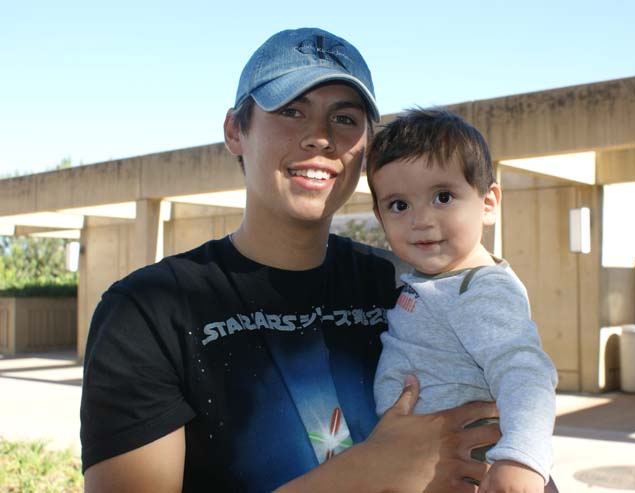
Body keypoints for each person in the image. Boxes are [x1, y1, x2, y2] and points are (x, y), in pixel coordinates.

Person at [80, 28, 500, 492]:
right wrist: (367, 471)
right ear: (235, 131)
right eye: (291, 111)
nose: (320, 137)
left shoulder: (407, 285)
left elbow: (499, 435)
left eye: (344, 118)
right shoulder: (149, 311)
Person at [368, 108, 559, 493]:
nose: (420, 220)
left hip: (469, 475)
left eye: (443, 197)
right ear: (379, 215)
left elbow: (525, 371)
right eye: (399, 205)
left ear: (488, 203)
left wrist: (520, 458)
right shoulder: (432, 281)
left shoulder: (480, 290)